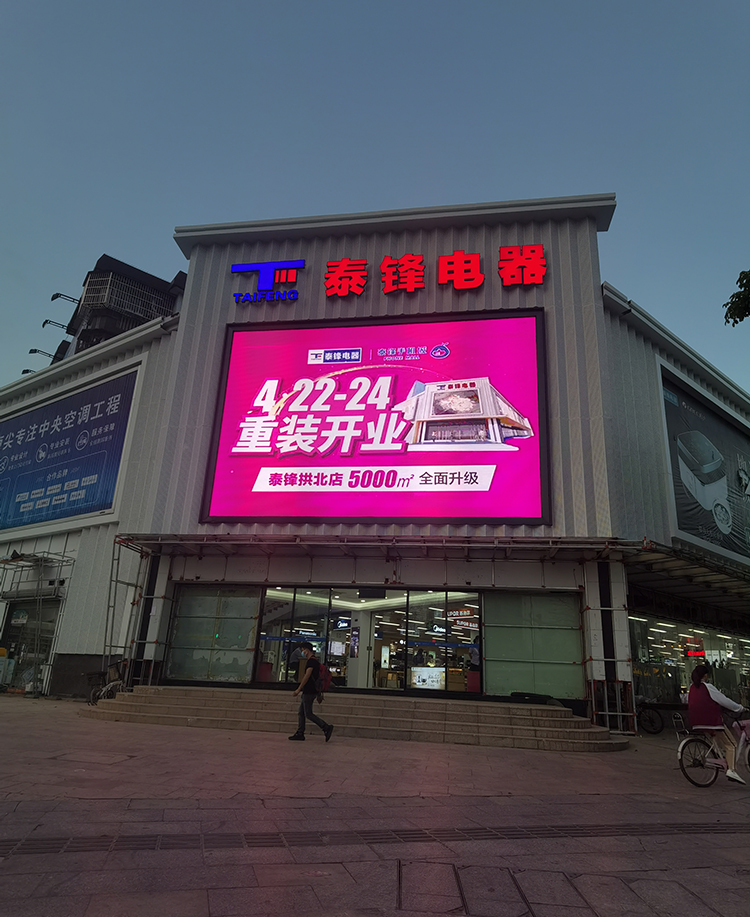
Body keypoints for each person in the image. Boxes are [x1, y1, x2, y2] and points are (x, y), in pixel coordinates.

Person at [688, 663, 749, 784]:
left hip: (696, 722)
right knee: (731, 744)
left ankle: (721, 760)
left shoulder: (692, 688)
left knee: (719, 742)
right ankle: (731, 770)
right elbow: (724, 701)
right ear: (705, 675)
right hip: (712, 722)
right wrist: (739, 708)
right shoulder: (708, 687)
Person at [289, 642, 334, 742]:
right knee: (301, 712)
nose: (302, 652)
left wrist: (298, 689)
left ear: (307, 650)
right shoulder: (315, 661)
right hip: (311, 690)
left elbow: (307, 676)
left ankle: (326, 727)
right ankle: (300, 732)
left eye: (302, 650)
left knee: (308, 713)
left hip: (309, 691)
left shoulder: (311, 662)